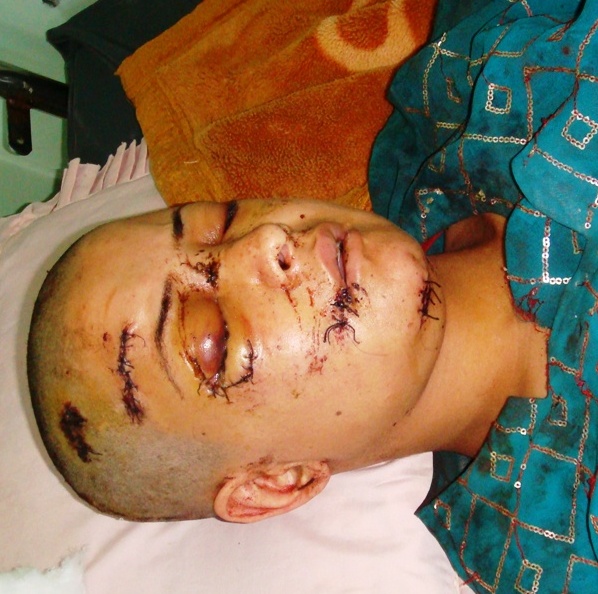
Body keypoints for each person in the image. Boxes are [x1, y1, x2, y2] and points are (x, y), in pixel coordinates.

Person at [28, 0, 598, 591]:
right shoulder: (561, 546)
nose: (266, 241)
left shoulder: (464, 83)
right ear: (276, 483)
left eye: (219, 223)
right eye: (213, 338)